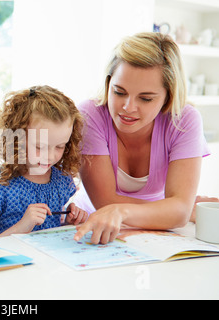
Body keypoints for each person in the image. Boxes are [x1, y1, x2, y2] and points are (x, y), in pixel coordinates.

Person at [75, 32, 215, 245]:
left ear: (168, 95)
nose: (128, 108)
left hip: (154, 235)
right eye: (119, 92)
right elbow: (105, 204)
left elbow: (178, 214)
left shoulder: (183, 120)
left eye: (146, 98)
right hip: (90, 228)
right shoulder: (90, 114)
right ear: (108, 83)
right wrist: (168, 210)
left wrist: (177, 211)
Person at [0, 85, 88, 239]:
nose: (49, 156)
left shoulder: (61, 180)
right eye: (40, 147)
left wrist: (69, 223)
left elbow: (49, 232)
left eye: (59, 146)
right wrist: (23, 225)